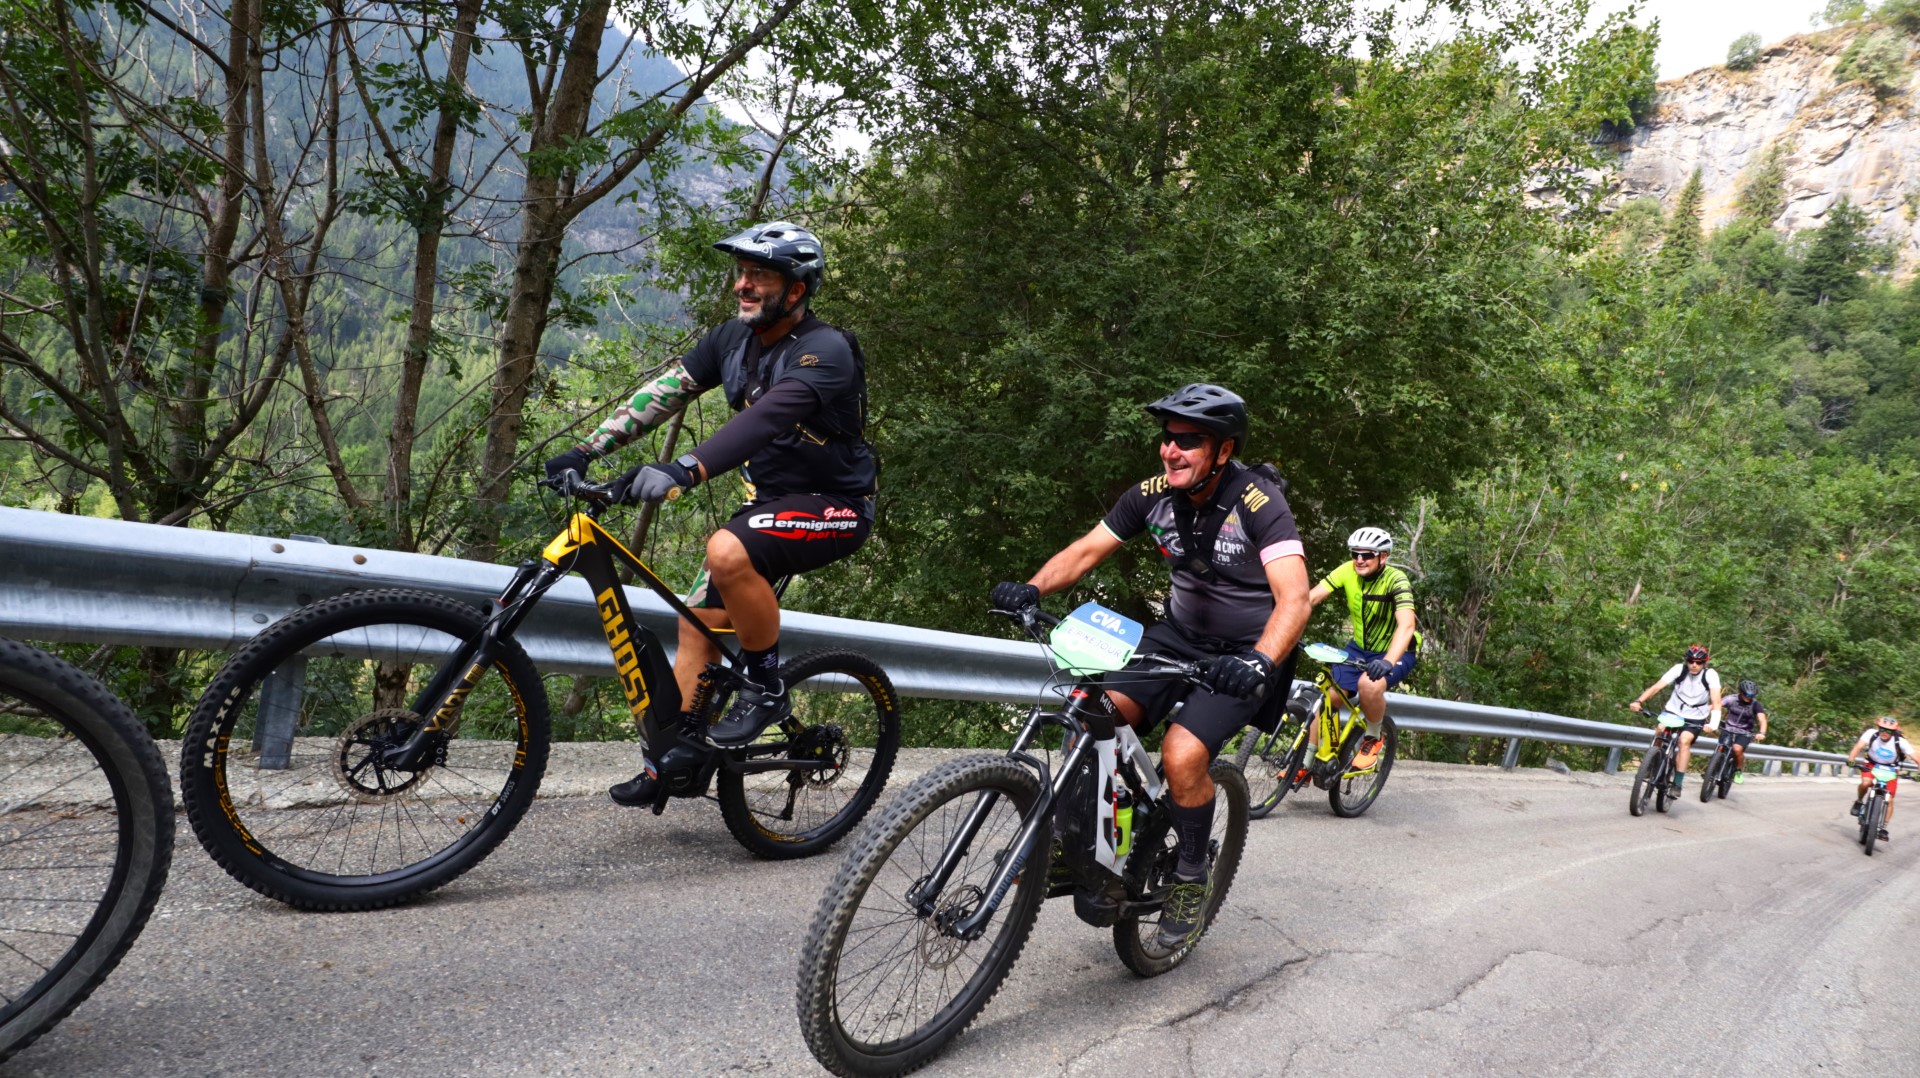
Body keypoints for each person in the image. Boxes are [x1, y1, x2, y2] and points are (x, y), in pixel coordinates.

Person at [543, 221, 876, 807]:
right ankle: (672, 761)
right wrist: (585, 449)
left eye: (759, 276)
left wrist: (685, 469)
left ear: (796, 289)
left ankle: (766, 688)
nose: (743, 285)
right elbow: (665, 392)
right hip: (766, 508)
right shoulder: (731, 340)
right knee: (696, 625)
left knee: (725, 547)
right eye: (741, 273)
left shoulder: (827, 351)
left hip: (837, 507)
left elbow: (768, 418)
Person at [990, 383, 1309, 950]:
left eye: (1190, 440)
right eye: (1167, 437)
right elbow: (1087, 551)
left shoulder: (1259, 503)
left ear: (1224, 450)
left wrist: (1260, 660)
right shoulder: (1151, 495)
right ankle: (1089, 839)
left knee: (1183, 756)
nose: (1171, 450)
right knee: (1091, 715)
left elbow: (1295, 600)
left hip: (1244, 655)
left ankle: (1191, 873)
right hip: (1176, 637)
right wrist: (1032, 588)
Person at [1306, 527, 1419, 769]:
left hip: (1394, 650)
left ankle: (1373, 737)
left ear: (1383, 557)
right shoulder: (1347, 570)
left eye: (1367, 555)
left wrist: (1388, 661)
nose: (1359, 559)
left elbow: (1407, 625)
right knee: (1328, 698)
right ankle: (1304, 761)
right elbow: (1310, 599)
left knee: (1368, 685)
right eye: (1355, 553)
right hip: (1359, 649)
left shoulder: (1396, 579)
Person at [1627, 645, 1722, 799]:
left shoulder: (1710, 675)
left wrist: (1713, 724)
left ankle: (1677, 783)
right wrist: (1639, 701)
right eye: (1690, 661)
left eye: (1698, 662)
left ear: (1704, 663)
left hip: (1695, 716)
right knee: (1660, 728)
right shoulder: (1679, 669)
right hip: (1674, 711)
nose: (1694, 665)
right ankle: (1651, 761)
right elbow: (1657, 687)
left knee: (1684, 741)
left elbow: (1716, 701)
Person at [1847, 716, 1914, 843]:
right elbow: (1858, 747)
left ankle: (1883, 828)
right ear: (1878, 728)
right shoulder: (1871, 734)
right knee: (1866, 783)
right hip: (1871, 764)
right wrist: (1851, 759)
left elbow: (1917, 758)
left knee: (1890, 799)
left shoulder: (1901, 741)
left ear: (1894, 731)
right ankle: (1859, 801)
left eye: (1888, 730)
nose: (1884, 732)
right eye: (1882, 729)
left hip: (1891, 768)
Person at [1708, 678, 1768, 784]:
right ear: (1741, 692)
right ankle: (1711, 769)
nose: (1749, 698)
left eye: (1752, 696)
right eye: (1747, 695)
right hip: (1728, 729)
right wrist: (1703, 712)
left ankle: (1738, 771)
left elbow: (1762, 719)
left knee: (1737, 749)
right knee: (1721, 747)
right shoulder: (1731, 699)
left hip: (1745, 732)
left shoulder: (1755, 705)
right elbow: (1716, 705)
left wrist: (1762, 733)